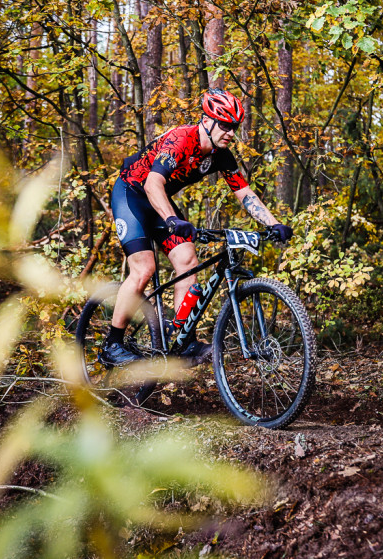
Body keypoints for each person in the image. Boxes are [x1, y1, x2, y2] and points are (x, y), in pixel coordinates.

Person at [101, 88, 294, 367]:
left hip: (159, 202)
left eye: (234, 127)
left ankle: (182, 340)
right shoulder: (182, 139)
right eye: (225, 125)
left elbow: (245, 194)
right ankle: (112, 344)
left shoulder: (221, 155)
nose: (230, 132)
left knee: (188, 260)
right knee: (144, 269)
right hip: (132, 193)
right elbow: (153, 183)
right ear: (207, 120)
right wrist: (171, 219)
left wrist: (273, 223)